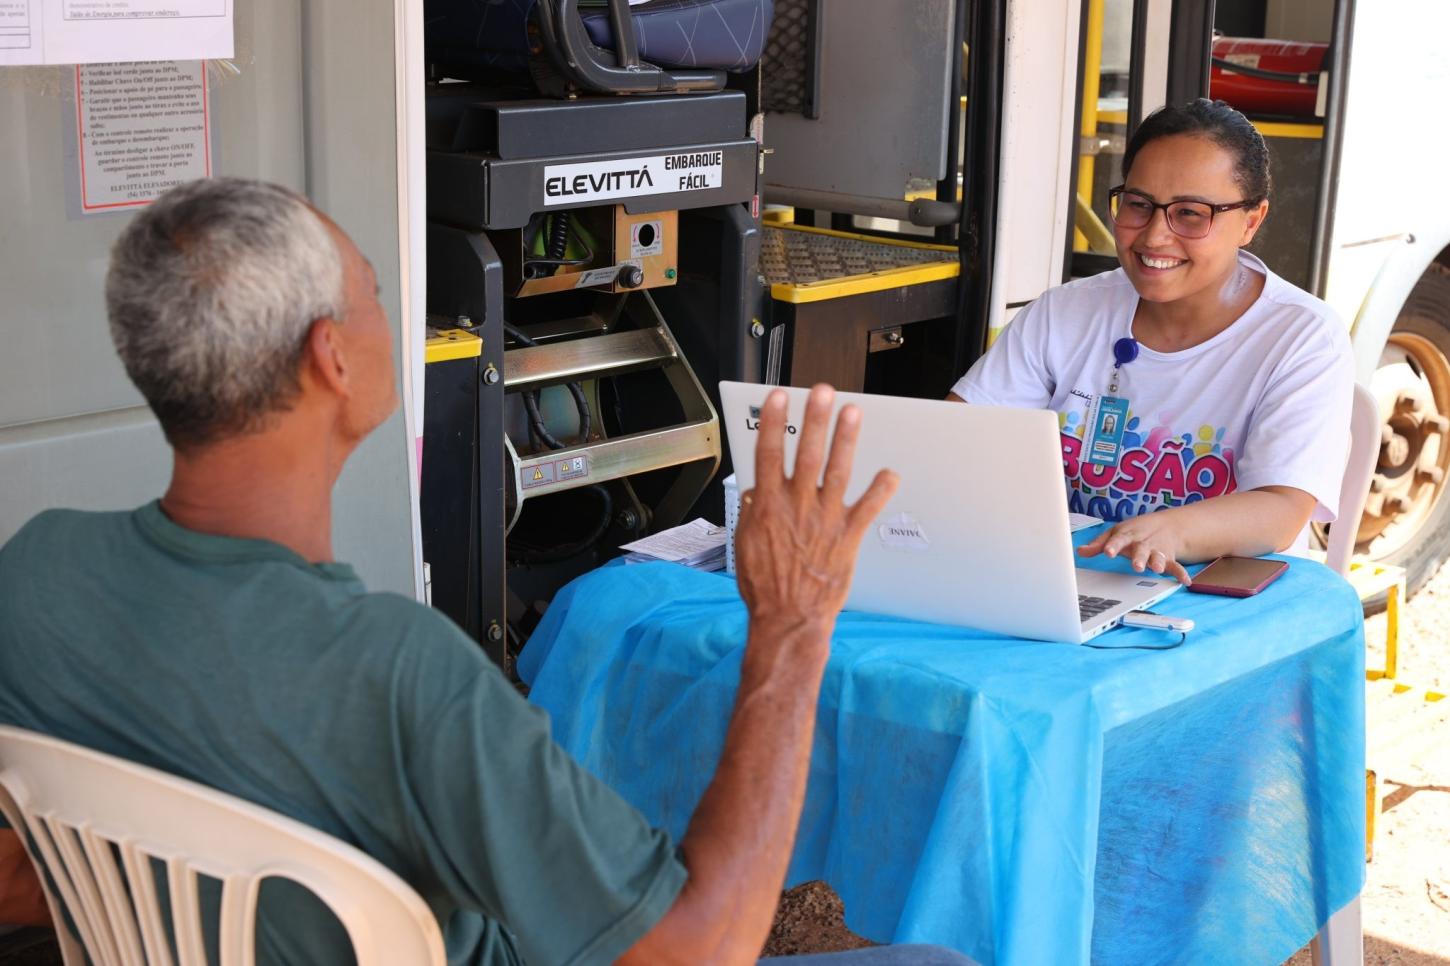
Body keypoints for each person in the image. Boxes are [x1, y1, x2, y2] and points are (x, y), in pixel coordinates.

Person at [0, 178, 972, 965]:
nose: (394, 319)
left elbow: (16, 870)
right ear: (330, 357)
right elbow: (696, 952)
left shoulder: (37, 575)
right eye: (378, 293)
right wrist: (792, 624)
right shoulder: (397, 674)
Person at [949, 98, 1354, 583]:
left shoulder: (1302, 338)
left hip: (1215, 592)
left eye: (1190, 213)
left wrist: (1169, 534)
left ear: (1251, 220)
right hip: (1069, 577)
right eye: (1139, 205)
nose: (1154, 237)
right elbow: (957, 439)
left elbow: (1282, 510)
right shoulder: (1065, 312)